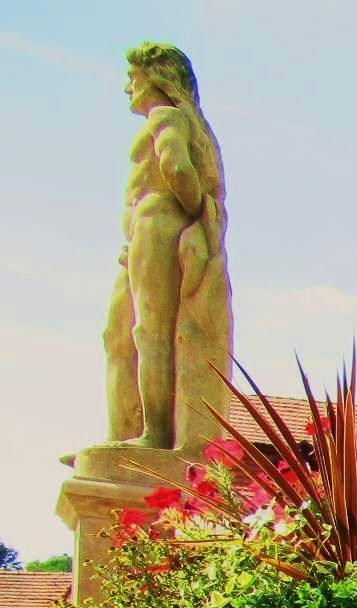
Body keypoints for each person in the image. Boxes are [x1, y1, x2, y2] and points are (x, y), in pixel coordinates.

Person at [104, 42, 231, 451]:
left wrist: (197, 215)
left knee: (150, 331)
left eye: (132, 77)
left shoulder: (167, 116)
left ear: (156, 76)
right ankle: (122, 431)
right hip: (141, 235)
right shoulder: (163, 118)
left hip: (158, 226)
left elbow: (176, 167)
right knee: (117, 334)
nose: (128, 87)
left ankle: (155, 434)